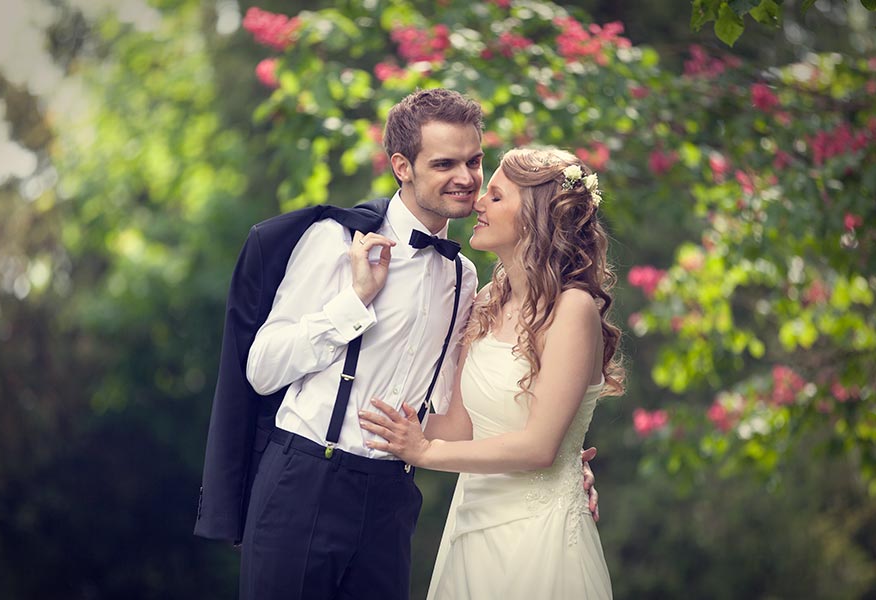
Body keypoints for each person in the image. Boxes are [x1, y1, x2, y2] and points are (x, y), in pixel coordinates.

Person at [231, 88, 599, 600]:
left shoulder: (468, 279)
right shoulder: (336, 241)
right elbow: (262, 369)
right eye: (445, 163)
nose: (467, 179)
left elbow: (464, 409)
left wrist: (561, 463)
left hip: (393, 499)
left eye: (474, 161)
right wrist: (355, 301)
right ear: (402, 165)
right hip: (306, 480)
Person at [359, 146, 624, 599]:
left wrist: (423, 452)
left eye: (496, 196)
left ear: (536, 217)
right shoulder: (485, 301)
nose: (478, 201)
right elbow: (461, 427)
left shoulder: (573, 310)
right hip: (472, 527)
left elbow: (540, 448)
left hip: (539, 538)